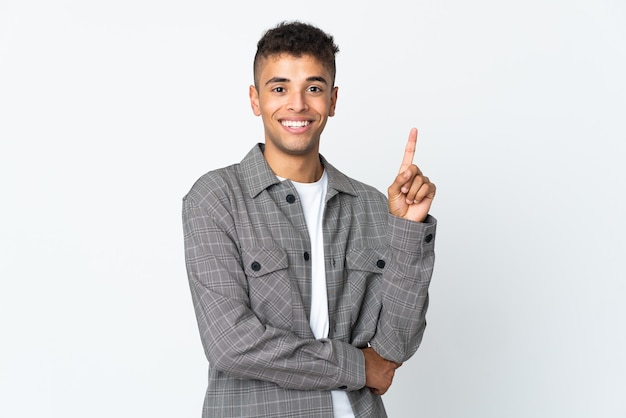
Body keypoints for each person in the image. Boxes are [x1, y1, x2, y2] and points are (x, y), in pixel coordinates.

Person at [182, 20, 437, 418]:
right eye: (279, 87)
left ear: (333, 101)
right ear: (255, 99)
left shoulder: (370, 205)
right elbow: (231, 342)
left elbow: (396, 347)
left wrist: (408, 228)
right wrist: (357, 366)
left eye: (313, 88)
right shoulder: (216, 198)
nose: (297, 104)